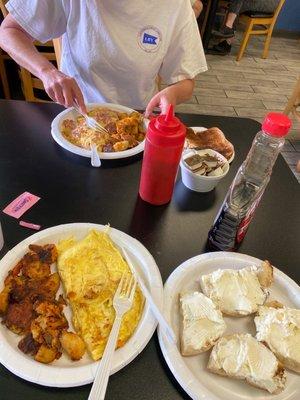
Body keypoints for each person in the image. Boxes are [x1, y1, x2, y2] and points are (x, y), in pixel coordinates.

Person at [0, 1, 207, 117]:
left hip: (139, 119)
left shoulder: (175, 5)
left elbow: (185, 82)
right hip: (78, 116)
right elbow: (8, 31)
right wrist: (47, 72)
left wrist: (171, 94)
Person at [209, 0, 280, 55]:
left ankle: (228, 32)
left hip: (268, 3)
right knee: (236, 5)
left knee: (236, 4)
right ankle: (227, 40)